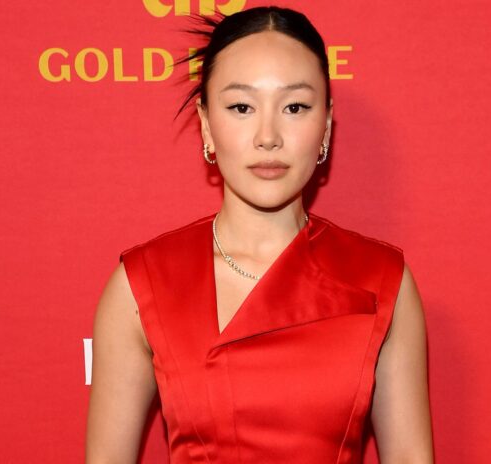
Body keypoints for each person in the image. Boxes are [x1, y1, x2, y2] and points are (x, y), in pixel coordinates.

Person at [86, 6, 433, 463]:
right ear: (206, 125)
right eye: (241, 107)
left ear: (326, 126)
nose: (268, 136)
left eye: (295, 107)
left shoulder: (382, 281)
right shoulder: (143, 285)